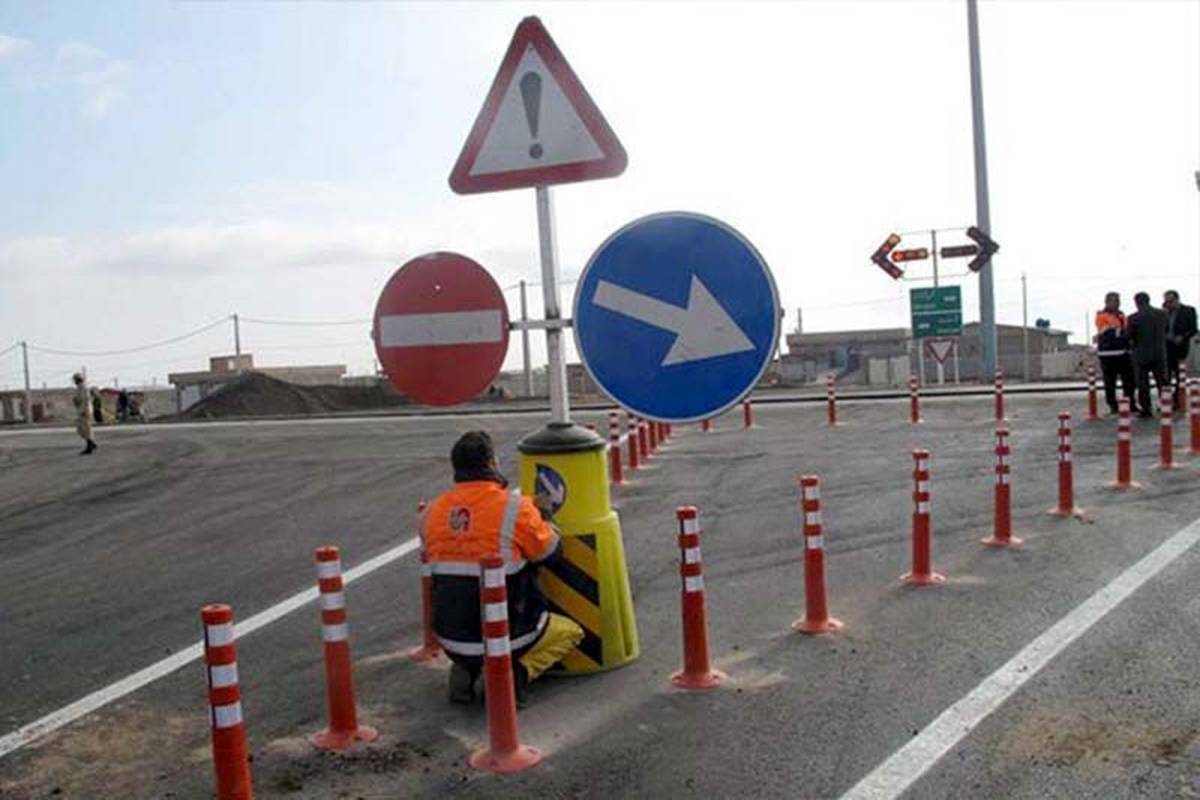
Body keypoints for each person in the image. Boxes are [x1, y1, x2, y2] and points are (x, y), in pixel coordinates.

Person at [423, 430, 583, 705]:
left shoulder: (433, 511)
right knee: (569, 632)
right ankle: (509, 676)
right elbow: (551, 553)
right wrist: (544, 517)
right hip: (508, 636)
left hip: (450, 638)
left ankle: (466, 668)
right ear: (492, 462)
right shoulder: (514, 508)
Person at [1127, 292, 1169, 418]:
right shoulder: (1162, 314)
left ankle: (1146, 409)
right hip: (1159, 353)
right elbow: (1166, 330)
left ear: (1136, 302)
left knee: (1143, 384)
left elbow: (1129, 336)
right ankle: (1166, 405)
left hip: (1141, 354)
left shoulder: (1133, 318)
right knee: (1162, 381)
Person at [1094, 292, 1136, 414]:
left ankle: (1130, 403)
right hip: (1108, 354)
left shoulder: (1121, 315)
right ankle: (1113, 405)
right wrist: (1120, 332)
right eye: (1115, 301)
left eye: (1118, 301)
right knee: (1110, 382)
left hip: (1123, 353)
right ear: (1107, 302)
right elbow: (1107, 332)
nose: (1118, 303)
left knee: (1129, 381)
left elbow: (1125, 331)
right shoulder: (1101, 316)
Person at [1163, 289, 1197, 410]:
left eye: (1171, 301)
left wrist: (1183, 337)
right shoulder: (1163, 313)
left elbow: (1193, 329)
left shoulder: (1188, 311)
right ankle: (1167, 400)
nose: (1168, 304)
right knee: (1165, 375)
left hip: (1180, 347)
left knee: (1179, 375)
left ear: (1177, 300)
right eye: (1166, 301)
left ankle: (1178, 399)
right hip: (1166, 347)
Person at [72, 373, 98, 455]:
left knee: (84, 429)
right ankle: (91, 443)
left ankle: (90, 446)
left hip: (84, 411)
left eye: (75, 379)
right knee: (83, 429)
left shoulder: (83, 388)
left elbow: (85, 400)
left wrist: (83, 411)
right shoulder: (80, 388)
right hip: (83, 410)